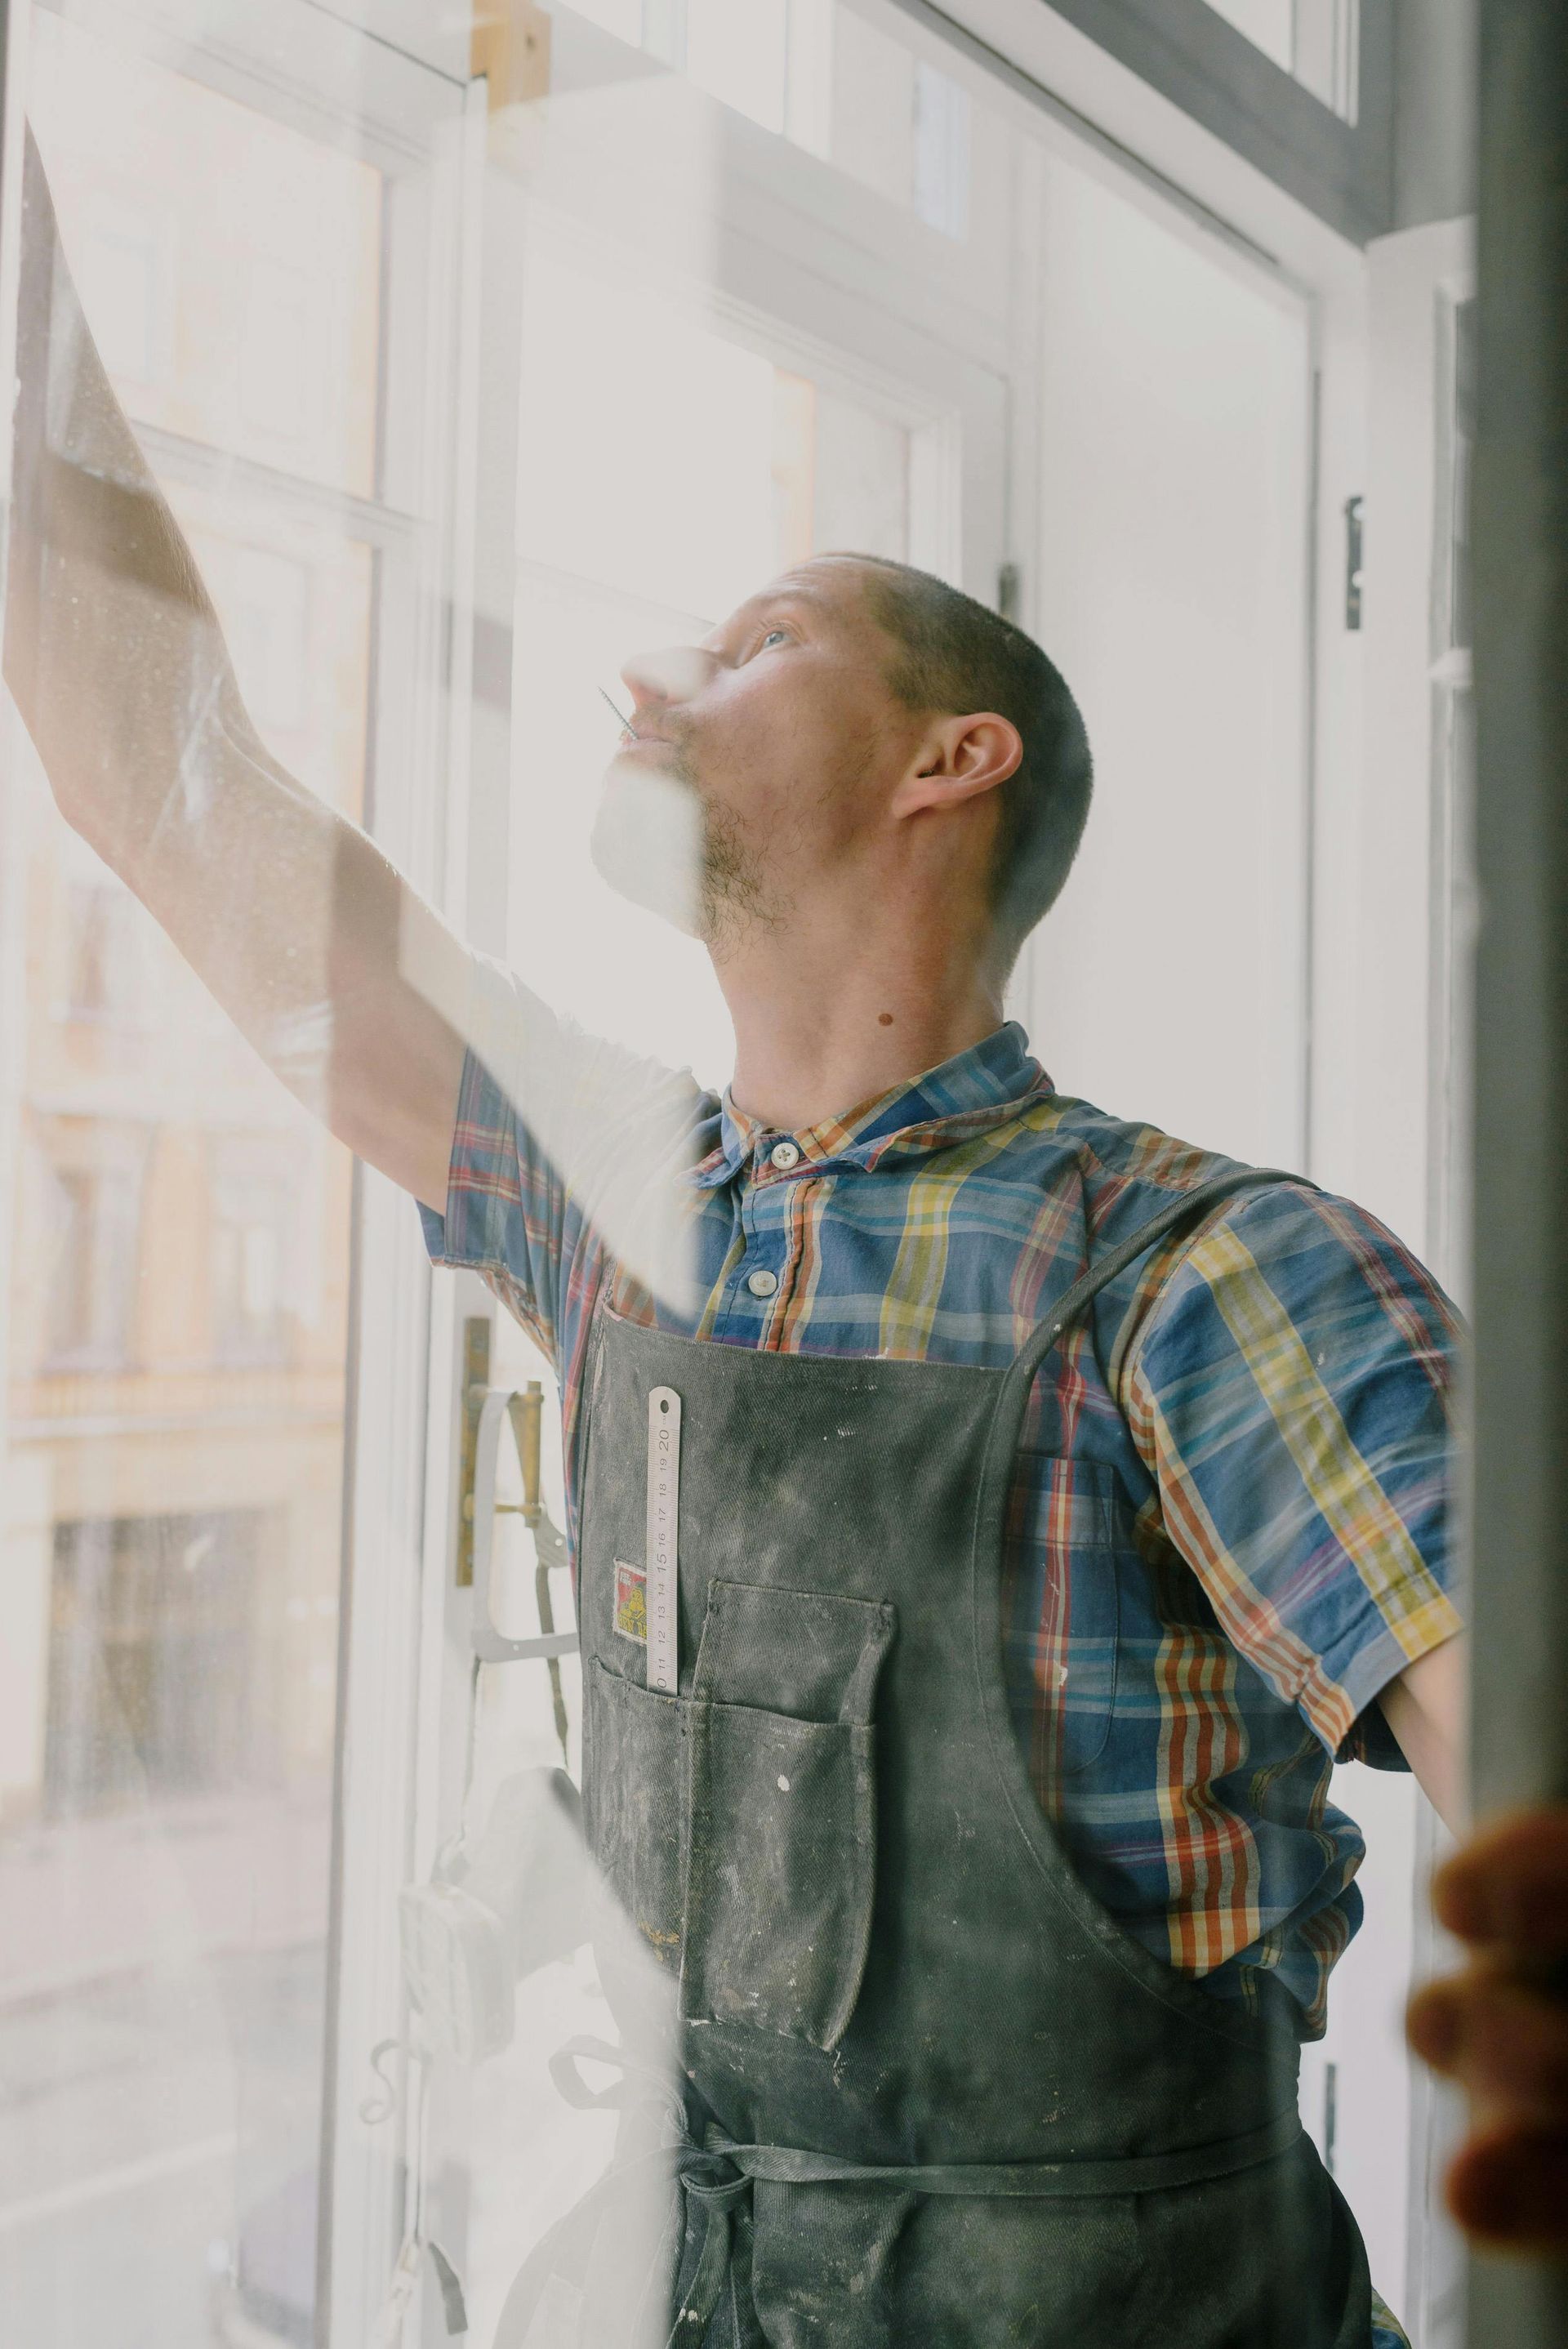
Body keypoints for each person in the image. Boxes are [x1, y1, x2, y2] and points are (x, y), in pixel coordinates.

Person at [1, 128, 1486, 2347]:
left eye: (758, 638)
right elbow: (178, 790)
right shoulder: (617, 1206)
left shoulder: (1216, 1279)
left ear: (947, 760)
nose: (642, 680)